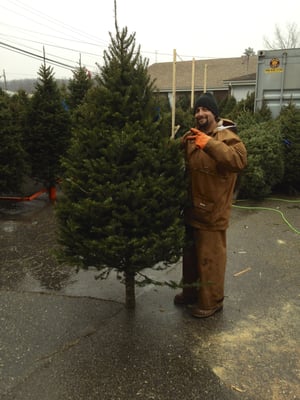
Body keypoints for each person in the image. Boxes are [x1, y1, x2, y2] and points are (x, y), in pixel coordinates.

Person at [174, 92, 247, 318]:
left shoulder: (227, 137)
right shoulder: (194, 136)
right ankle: (191, 294)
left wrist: (210, 144)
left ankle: (212, 301)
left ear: (215, 114)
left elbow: (239, 161)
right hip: (193, 208)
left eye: (205, 109)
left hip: (213, 211)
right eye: (197, 110)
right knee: (191, 258)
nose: (200, 114)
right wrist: (179, 143)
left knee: (210, 259)